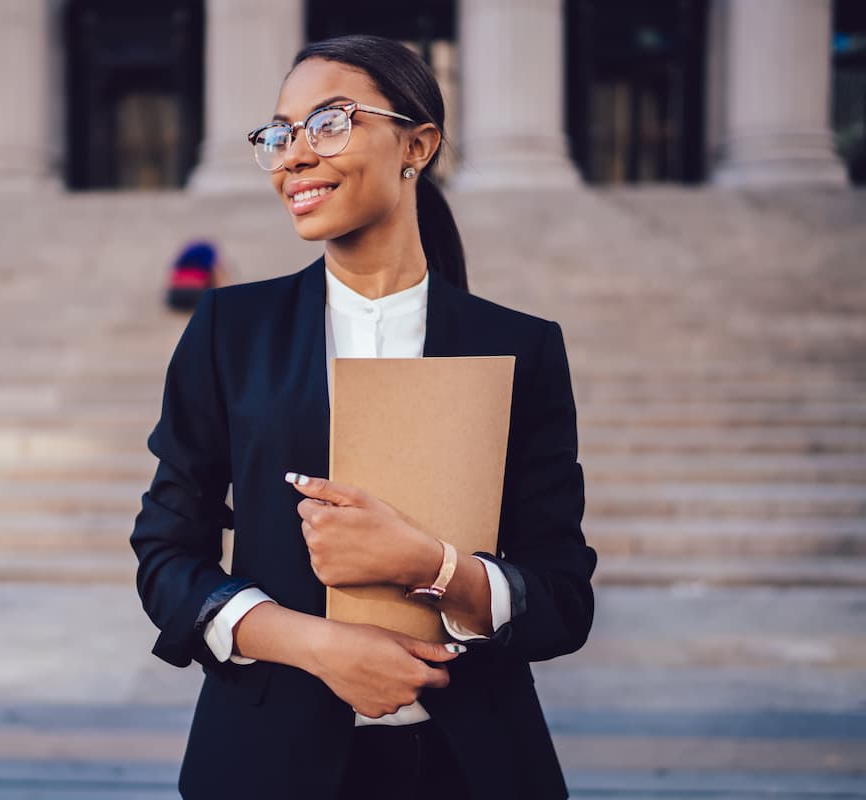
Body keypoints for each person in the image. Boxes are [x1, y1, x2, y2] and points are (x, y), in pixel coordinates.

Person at [130, 34, 596, 800]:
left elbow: (563, 599)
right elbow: (166, 554)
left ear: (417, 143)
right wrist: (319, 646)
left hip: (474, 767)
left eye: (329, 123)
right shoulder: (229, 330)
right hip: (264, 764)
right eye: (279, 134)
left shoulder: (520, 347)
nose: (294, 156)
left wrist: (431, 567)